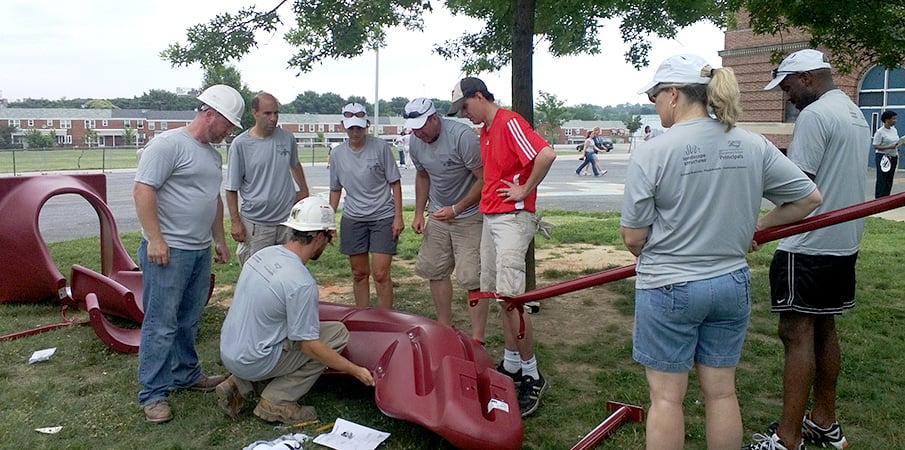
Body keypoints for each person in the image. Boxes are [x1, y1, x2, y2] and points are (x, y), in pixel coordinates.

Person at [623, 54, 822, 450]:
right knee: (721, 393)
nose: (654, 103)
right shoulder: (751, 144)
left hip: (668, 283)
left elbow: (632, 237)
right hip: (730, 282)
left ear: (674, 94)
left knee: (666, 398)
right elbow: (809, 198)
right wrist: (757, 227)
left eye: (655, 95)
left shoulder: (653, 151)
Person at [744, 49, 869, 450]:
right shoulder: (853, 112)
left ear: (809, 78)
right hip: (843, 240)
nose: (788, 95)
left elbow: (800, 190)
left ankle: (788, 438)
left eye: (788, 85)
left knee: (796, 333)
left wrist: (756, 225)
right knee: (824, 328)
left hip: (807, 244)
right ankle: (824, 422)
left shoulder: (815, 116)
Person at [132, 84, 245, 424]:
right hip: (168, 252)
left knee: (188, 318)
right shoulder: (168, 145)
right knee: (161, 323)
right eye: (227, 125)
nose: (228, 133)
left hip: (198, 250)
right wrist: (155, 238)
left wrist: (219, 240)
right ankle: (153, 393)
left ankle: (185, 373)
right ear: (209, 113)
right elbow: (142, 189)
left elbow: (212, 200)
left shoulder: (211, 154)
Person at [447, 76, 556, 416]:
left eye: (465, 106)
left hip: (512, 219)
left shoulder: (508, 122)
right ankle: (512, 364)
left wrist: (524, 192)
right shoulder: (485, 130)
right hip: (492, 218)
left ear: (478, 96)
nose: (464, 114)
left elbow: (546, 153)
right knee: (499, 296)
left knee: (513, 300)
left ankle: (532, 374)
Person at [216, 197, 375, 424]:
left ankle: (238, 384)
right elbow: (310, 346)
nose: (326, 245)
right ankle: (277, 401)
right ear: (319, 237)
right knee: (336, 334)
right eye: (328, 239)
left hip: (230, 350)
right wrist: (355, 370)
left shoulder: (263, 254)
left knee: (275, 331)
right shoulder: (300, 282)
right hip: (253, 360)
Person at [404, 97, 489, 344]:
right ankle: (444, 327)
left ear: (434, 118)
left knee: (472, 278)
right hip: (439, 215)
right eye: (413, 128)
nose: (418, 133)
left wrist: (458, 207)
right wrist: (419, 212)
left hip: (470, 215)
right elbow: (422, 175)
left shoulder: (462, 137)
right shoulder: (415, 141)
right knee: (435, 270)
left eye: (421, 126)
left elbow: (483, 179)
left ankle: (477, 339)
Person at [329, 103, 404, 308]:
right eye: (351, 128)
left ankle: (386, 319)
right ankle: (363, 316)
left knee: (380, 273)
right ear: (343, 126)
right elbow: (335, 189)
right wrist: (329, 220)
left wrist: (398, 216)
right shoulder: (337, 154)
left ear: (366, 126)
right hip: (354, 218)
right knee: (359, 273)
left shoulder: (380, 148)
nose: (355, 132)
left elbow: (394, 183)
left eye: (359, 128)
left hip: (382, 216)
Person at [226, 92, 310, 266]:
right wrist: (235, 222)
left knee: (287, 271)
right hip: (257, 225)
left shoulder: (287, 138)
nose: (273, 118)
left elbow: (295, 164)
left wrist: (304, 191)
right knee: (257, 274)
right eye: (267, 113)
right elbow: (231, 189)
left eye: (276, 113)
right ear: (254, 113)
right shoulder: (241, 145)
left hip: (287, 222)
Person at [872, 110, 900, 198]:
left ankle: (886, 198)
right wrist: (888, 147)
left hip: (893, 156)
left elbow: (895, 142)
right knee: (882, 180)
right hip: (883, 157)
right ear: (887, 120)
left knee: (889, 179)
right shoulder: (880, 132)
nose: (895, 121)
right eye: (893, 119)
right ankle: (879, 199)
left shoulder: (894, 130)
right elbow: (875, 146)